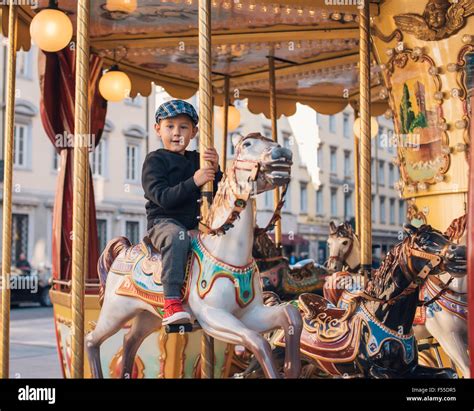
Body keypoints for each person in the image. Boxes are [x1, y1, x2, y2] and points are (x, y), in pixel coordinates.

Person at [142, 99, 223, 325]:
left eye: (184, 127)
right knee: (176, 238)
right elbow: (163, 198)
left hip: (197, 224)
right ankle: (172, 301)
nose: (177, 133)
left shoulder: (198, 160)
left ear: (195, 132)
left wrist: (216, 172)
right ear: (158, 129)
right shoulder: (155, 160)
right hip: (163, 222)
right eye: (170, 126)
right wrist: (195, 181)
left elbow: (219, 194)